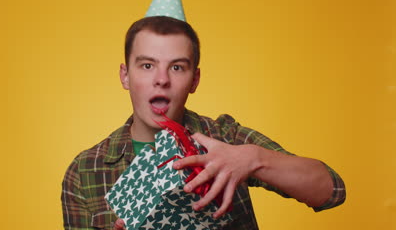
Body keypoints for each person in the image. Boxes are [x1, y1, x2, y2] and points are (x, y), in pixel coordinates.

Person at [61, 16, 346, 230]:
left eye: (177, 67)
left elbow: (331, 190)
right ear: (125, 76)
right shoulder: (85, 170)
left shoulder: (223, 137)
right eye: (147, 65)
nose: (162, 79)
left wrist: (252, 160)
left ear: (194, 79)